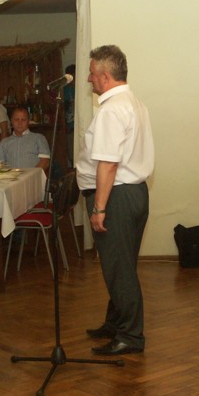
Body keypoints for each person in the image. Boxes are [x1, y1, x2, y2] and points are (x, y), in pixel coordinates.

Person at [77, 45, 154, 356]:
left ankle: (130, 336)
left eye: (92, 74)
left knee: (119, 270)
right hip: (134, 193)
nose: (88, 79)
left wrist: (99, 207)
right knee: (122, 265)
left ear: (105, 76)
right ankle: (116, 322)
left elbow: (108, 164)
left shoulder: (111, 109)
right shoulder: (134, 102)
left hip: (115, 197)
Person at [0, 105, 50, 171]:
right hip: (11, 176)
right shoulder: (4, 142)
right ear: (11, 121)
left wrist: (31, 175)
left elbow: (45, 161)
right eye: (16, 119)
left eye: (23, 120)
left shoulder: (38, 138)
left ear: (28, 121)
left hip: (32, 176)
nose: (19, 123)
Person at [63, 64, 76, 168]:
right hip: (69, 126)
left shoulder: (81, 88)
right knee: (71, 152)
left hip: (80, 125)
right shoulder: (64, 89)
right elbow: (63, 108)